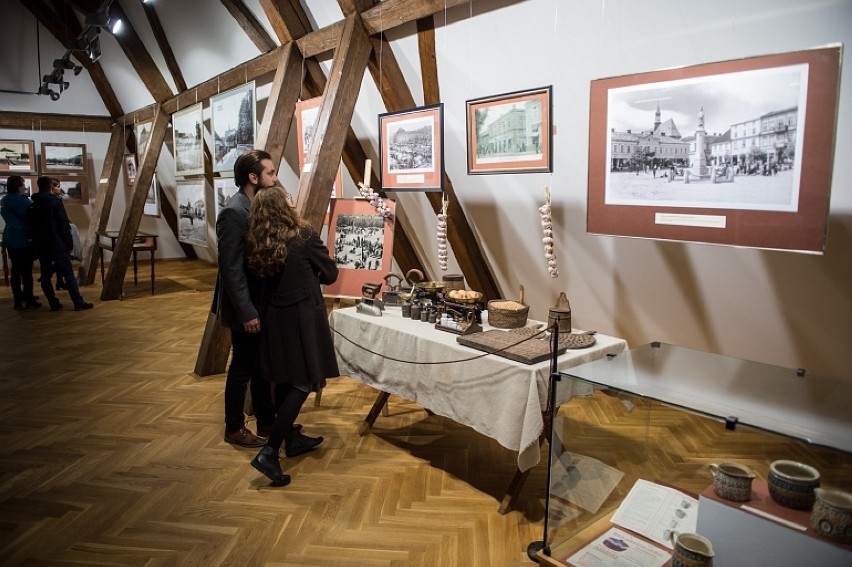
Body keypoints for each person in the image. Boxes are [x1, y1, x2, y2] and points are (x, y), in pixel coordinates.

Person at [245, 186, 339, 486]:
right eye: (288, 198)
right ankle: (270, 452)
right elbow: (331, 274)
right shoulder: (303, 236)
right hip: (301, 319)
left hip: (276, 318)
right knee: (304, 381)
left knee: (286, 379)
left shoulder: (259, 241)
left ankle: (291, 440)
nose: (293, 201)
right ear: (281, 207)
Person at [215, 150, 278, 448]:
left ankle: (267, 420)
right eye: (271, 173)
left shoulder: (256, 206)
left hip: (260, 304)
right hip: (246, 308)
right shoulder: (234, 211)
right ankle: (234, 427)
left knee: (262, 364)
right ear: (253, 178)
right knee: (242, 366)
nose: (275, 178)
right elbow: (230, 269)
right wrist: (247, 312)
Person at [29, 176, 93, 312]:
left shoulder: (34, 203)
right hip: (58, 244)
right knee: (68, 274)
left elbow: (33, 227)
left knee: (45, 275)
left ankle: (53, 303)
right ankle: (78, 302)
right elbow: (63, 225)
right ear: (51, 187)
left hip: (42, 245)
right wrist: (69, 243)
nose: (60, 188)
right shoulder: (54, 203)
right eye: (57, 186)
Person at [1, 175, 41, 310]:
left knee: (15, 270)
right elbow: (31, 217)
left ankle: (17, 299)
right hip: (23, 237)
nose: (25, 187)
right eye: (23, 185)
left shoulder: (5, 200)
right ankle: (28, 298)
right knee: (26, 272)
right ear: (19, 187)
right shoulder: (23, 201)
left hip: (11, 237)